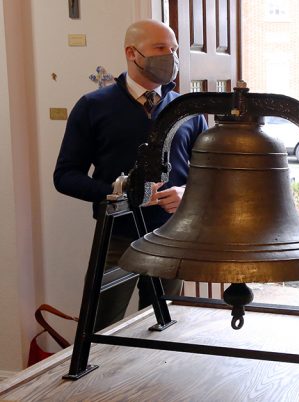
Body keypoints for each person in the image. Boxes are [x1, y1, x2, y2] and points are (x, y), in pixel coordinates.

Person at [53, 19, 207, 332]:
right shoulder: (92, 107)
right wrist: (116, 191)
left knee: (165, 328)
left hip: (172, 237)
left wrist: (187, 195)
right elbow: (65, 176)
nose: (172, 57)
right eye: (161, 48)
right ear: (132, 53)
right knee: (99, 329)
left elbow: (210, 175)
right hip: (117, 237)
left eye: (174, 49)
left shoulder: (188, 110)